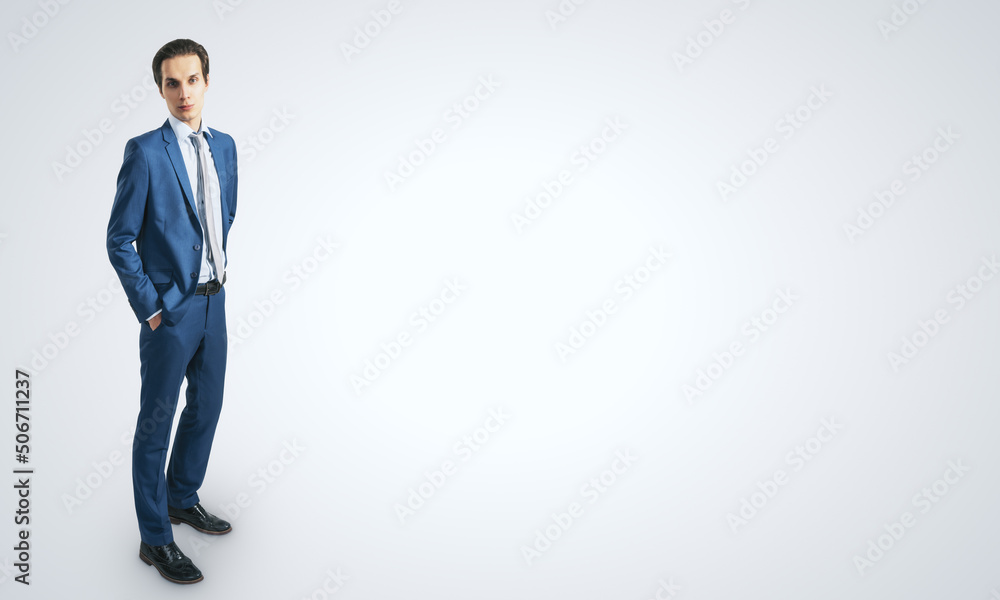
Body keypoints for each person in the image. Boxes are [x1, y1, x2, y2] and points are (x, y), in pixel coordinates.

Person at [107, 38, 238, 585]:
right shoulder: (144, 151)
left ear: (207, 81)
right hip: (170, 313)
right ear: (160, 88)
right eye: (171, 83)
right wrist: (153, 308)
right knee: (155, 423)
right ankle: (154, 537)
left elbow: (224, 217)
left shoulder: (226, 146)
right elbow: (120, 239)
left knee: (206, 407)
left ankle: (182, 498)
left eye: (192, 80)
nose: (184, 93)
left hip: (216, 302)